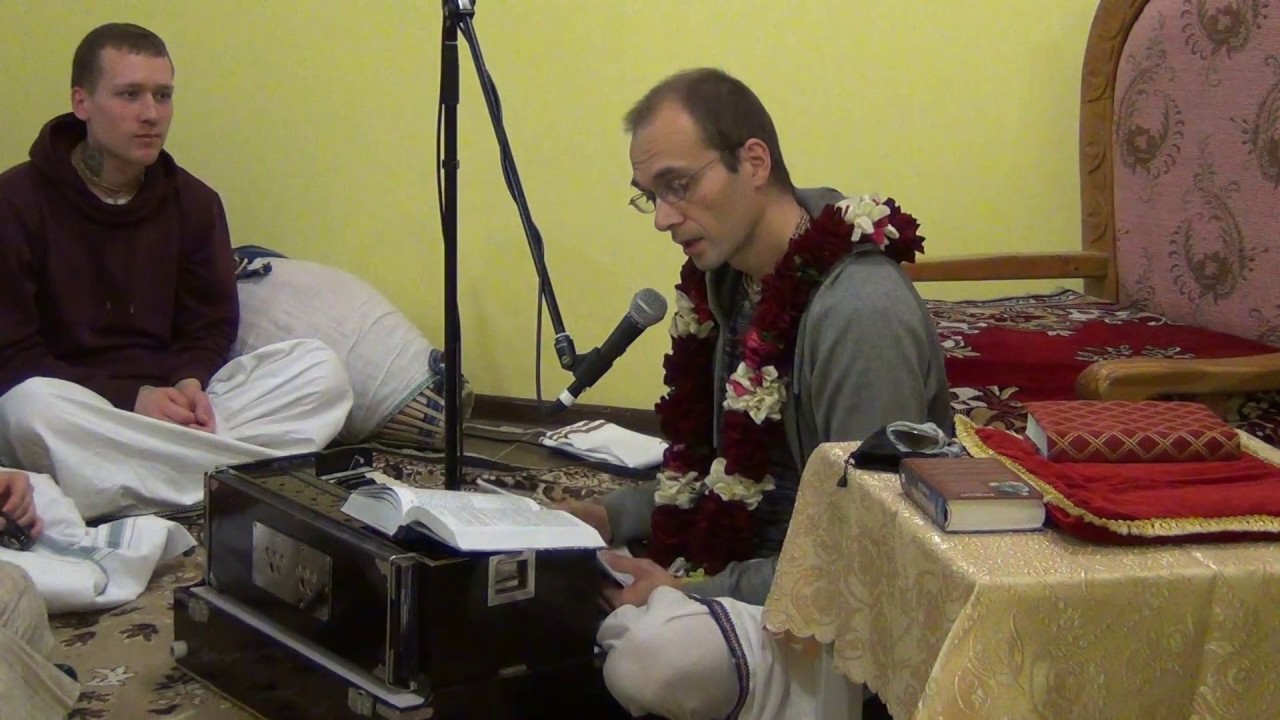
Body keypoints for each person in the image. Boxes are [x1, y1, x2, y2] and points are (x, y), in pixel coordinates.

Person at [564, 68, 951, 719]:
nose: (662, 218)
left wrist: (689, 590)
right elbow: (716, 479)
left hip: (829, 619)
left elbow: (870, 552)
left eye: (679, 186)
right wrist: (609, 516)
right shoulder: (729, 284)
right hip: (736, 569)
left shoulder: (860, 313)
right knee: (557, 580)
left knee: (654, 657)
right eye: (650, 196)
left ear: (753, 162)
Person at [0, 23, 353, 520]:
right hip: (80, 407)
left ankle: (117, 486)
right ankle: (234, 478)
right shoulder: (15, 202)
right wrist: (131, 399)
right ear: (82, 102)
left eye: (163, 95)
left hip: (172, 411)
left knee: (319, 370)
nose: (151, 114)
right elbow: (13, 356)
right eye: (130, 94)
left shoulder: (196, 203)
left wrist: (190, 381)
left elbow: (209, 326)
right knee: (27, 409)